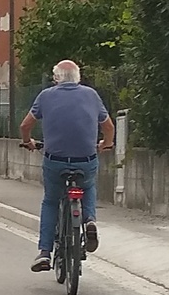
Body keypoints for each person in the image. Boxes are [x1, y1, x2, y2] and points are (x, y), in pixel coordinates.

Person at [20, 59, 114, 272]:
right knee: (88, 186)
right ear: (78, 78)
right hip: (86, 159)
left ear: (56, 78)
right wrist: (105, 145)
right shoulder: (91, 95)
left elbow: (25, 125)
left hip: (55, 161)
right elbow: (108, 126)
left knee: (51, 201)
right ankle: (90, 220)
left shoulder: (46, 96)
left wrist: (28, 142)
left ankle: (44, 252)